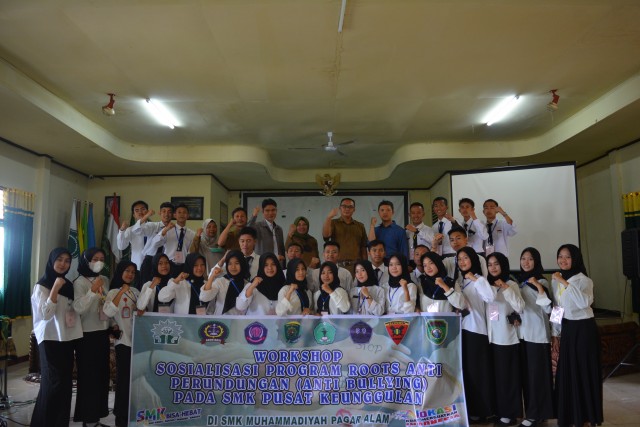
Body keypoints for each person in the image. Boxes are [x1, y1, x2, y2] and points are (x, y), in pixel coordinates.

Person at [551, 244, 603, 427]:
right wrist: (555, 333)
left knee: (583, 372)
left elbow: (583, 302)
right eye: (560, 256)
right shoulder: (556, 280)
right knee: (569, 372)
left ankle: (587, 416)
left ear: (575, 259)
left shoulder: (584, 280)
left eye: (567, 257)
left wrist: (565, 283)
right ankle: (571, 415)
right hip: (568, 329)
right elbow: (557, 307)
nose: (563, 260)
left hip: (584, 330)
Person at [30, 248, 83, 427]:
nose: (63, 264)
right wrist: (55, 288)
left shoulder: (68, 284)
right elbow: (45, 315)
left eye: (67, 261)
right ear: (52, 261)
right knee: (52, 384)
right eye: (59, 259)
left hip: (67, 338)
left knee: (65, 385)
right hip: (50, 339)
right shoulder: (42, 285)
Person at [455, 246, 495, 422]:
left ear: (473, 259)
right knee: (467, 373)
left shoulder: (478, 278)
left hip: (477, 330)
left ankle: (484, 411)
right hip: (462, 330)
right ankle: (471, 411)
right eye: (459, 259)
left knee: (479, 373)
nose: (462, 262)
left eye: (466, 258)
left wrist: (474, 279)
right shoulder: (460, 280)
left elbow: (490, 297)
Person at [72, 248, 111, 427]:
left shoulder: (105, 280)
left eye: (102, 259)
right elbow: (78, 308)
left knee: (102, 377)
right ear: (86, 261)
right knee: (89, 379)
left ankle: (97, 417)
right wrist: (92, 291)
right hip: (86, 336)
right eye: (95, 259)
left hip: (103, 333)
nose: (99, 262)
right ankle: (88, 419)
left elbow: (108, 304)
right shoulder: (79, 282)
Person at [486, 252, 525, 426]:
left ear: (503, 265)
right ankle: (500, 411)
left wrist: (505, 287)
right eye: (490, 264)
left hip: (507, 338)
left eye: (496, 264)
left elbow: (520, 307)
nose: (493, 267)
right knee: (497, 378)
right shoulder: (488, 285)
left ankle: (510, 413)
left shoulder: (511, 284)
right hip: (491, 337)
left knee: (508, 378)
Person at [517, 247, 554, 427]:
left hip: (538, 336)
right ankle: (538, 412)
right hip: (523, 334)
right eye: (523, 258)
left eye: (530, 259)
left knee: (537, 378)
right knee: (528, 377)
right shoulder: (520, 282)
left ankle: (535, 414)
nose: (526, 262)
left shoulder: (542, 281)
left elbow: (548, 308)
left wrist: (538, 287)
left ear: (536, 262)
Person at [103, 260, 141, 427]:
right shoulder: (112, 292)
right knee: (123, 381)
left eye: (133, 272)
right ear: (120, 272)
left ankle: (133, 414)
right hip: (123, 342)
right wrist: (121, 292)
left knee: (136, 381)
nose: (130, 274)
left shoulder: (136, 292)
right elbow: (108, 312)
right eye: (127, 271)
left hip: (138, 342)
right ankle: (121, 417)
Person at [322, 198, 368, 275]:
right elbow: (326, 235)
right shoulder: (333, 223)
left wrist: (366, 265)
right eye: (344, 206)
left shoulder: (360, 226)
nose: (347, 209)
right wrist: (329, 217)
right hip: (338, 266)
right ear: (340, 208)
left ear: (354, 209)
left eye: (350, 207)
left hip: (356, 267)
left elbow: (363, 248)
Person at [146, 203, 196, 274]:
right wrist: (165, 230)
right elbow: (155, 244)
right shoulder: (168, 230)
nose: (182, 214)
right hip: (168, 265)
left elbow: (191, 251)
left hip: (184, 265)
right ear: (174, 215)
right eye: (179, 212)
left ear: (188, 216)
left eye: (184, 212)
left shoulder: (192, 234)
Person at [200, 250, 250, 315]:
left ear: (242, 264)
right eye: (230, 264)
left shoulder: (247, 285)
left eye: (237, 263)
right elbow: (204, 297)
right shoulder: (221, 281)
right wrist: (212, 276)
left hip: (240, 320)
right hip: (220, 319)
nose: (233, 267)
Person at [117, 200, 153, 271]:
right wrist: (122, 230)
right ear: (134, 215)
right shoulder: (130, 230)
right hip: (137, 266)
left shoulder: (154, 227)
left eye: (143, 209)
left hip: (153, 265)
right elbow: (121, 247)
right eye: (137, 210)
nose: (140, 212)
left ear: (148, 211)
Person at [248, 199, 285, 263]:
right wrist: (254, 216)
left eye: (273, 210)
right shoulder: (257, 226)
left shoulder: (279, 229)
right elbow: (247, 230)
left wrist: (283, 264)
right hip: (262, 263)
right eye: (267, 210)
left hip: (277, 263)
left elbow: (282, 249)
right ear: (263, 212)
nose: (270, 213)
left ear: (276, 211)